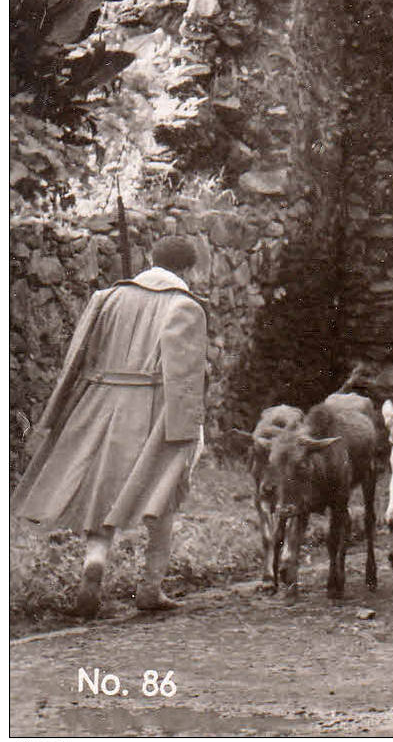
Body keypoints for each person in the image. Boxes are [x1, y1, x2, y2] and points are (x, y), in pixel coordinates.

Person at [14, 235, 209, 617]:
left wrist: (59, 412)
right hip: (153, 408)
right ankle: (150, 588)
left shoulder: (106, 297)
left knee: (102, 490)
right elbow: (185, 377)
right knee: (161, 493)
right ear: (188, 269)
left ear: (152, 260)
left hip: (97, 401)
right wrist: (191, 433)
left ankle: (94, 566)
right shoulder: (186, 306)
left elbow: (77, 357)